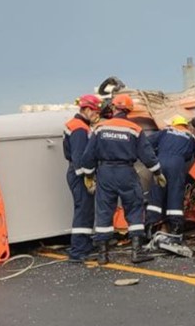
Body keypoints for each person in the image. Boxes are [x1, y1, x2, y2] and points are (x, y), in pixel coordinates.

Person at [81, 93, 165, 265]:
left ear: (113, 107)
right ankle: (136, 253)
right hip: (126, 172)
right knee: (134, 209)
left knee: (104, 211)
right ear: (128, 111)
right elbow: (147, 155)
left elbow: (88, 155)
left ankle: (103, 255)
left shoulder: (100, 128)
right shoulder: (134, 129)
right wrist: (157, 173)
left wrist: (89, 175)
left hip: (105, 173)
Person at [146, 115, 195, 237]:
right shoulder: (190, 136)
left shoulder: (166, 131)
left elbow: (146, 143)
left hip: (160, 161)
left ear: (173, 124)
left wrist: (155, 154)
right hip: (177, 164)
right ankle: (176, 228)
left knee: (156, 194)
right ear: (185, 125)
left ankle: (151, 228)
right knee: (175, 193)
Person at [63, 94, 102, 263]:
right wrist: (88, 176)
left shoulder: (77, 125)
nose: (96, 114)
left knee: (85, 210)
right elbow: (79, 156)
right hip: (79, 174)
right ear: (86, 109)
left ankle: (84, 245)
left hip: (76, 172)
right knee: (83, 210)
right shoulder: (80, 128)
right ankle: (79, 250)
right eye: (94, 111)